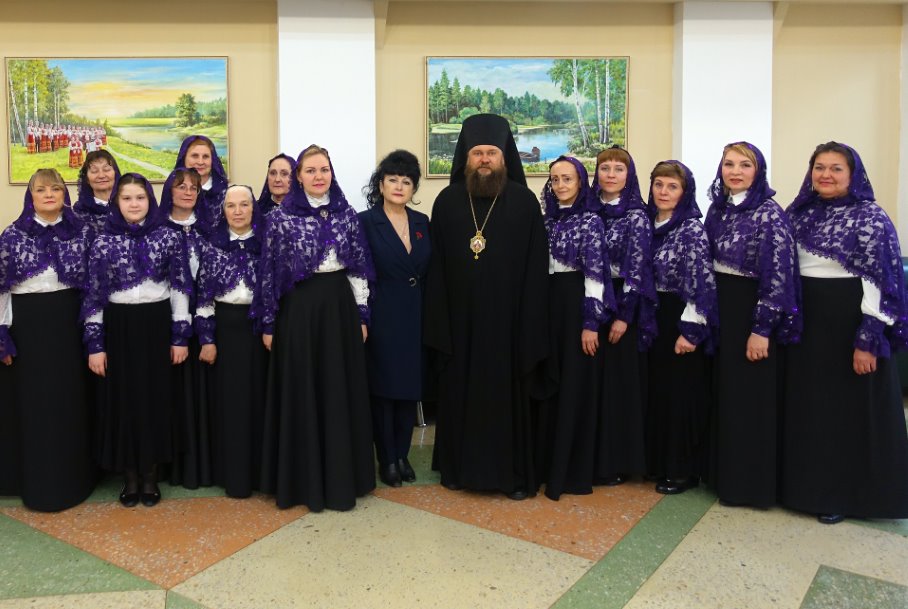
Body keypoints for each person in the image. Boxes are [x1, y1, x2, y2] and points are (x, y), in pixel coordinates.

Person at [424, 113, 549, 500]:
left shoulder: (525, 203)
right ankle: (458, 471)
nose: (484, 159)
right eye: (477, 152)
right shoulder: (447, 202)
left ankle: (512, 475)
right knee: (460, 395)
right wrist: (439, 323)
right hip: (460, 325)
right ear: (465, 157)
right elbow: (436, 268)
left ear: (504, 157)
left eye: (491, 153)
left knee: (506, 400)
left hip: (509, 326)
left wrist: (529, 323)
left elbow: (535, 270)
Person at [782, 142, 908, 523]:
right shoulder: (798, 213)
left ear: (853, 174)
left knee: (845, 412)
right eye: (819, 167)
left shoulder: (871, 218)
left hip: (849, 325)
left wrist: (868, 338)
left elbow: (879, 283)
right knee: (811, 409)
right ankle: (804, 489)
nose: (826, 175)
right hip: (807, 325)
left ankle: (843, 496)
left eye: (836, 168)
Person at [256, 144, 375, 511]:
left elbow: (358, 267)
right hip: (299, 312)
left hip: (339, 310)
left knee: (338, 389)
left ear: (331, 173)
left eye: (324, 169)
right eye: (310, 170)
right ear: (299, 176)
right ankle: (302, 482)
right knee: (302, 390)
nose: (318, 176)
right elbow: (268, 273)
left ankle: (342, 480)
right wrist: (268, 321)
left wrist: (361, 313)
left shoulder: (346, 214)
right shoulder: (280, 218)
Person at [82, 173, 193, 508]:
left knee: (155, 399)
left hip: (156, 325)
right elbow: (94, 296)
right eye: (127, 198)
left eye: (140, 198)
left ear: (151, 200)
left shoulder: (168, 237)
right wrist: (95, 345)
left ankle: (150, 476)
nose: (134, 204)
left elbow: (180, 288)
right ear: (117, 202)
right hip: (118, 327)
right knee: (124, 401)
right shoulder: (103, 241)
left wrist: (180, 336)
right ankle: (130, 478)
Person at [704, 141, 799, 508]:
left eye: (745, 165)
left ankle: (750, 486)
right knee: (725, 395)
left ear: (758, 171)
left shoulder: (770, 213)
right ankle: (723, 476)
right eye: (729, 164)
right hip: (722, 310)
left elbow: (778, 276)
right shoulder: (718, 209)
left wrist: (761, 329)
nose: (736, 171)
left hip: (751, 312)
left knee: (750, 400)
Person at [0, 169, 95, 512]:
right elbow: (2, 289)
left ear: (64, 194)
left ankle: (74, 481)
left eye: (56, 188)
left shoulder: (82, 232)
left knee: (69, 400)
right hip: (28, 330)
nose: (49, 194)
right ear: (31, 196)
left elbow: (92, 285)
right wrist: (2, 334)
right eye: (41, 190)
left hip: (69, 325)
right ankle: (35, 483)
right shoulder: (12, 236)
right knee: (35, 404)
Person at [538, 156, 615, 501]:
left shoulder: (591, 221)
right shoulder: (546, 221)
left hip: (576, 308)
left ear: (581, 182)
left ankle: (570, 472)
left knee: (574, 387)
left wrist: (590, 323)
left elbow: (596, 275)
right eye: (555, 179)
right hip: (548, 307)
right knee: (550, 384)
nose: (560, 185)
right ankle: (546, 465)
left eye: (567, 179)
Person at [358, 150, 431, 487]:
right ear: (381, 185)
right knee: (383, 391)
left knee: (408, 388)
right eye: (393, 180)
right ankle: (386, 459)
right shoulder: (365, 222)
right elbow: (358, 272)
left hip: (416, 313)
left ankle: (402, 455)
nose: (399, 186)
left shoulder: (422, 222)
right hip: (382, 314)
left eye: (406, 181)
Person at [645, 161, 717, 495]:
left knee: (682, 395)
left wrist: (690, 330)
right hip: (653, 315)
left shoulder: (691, 229)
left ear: (685, 192)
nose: (664, 192)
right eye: (659, 185)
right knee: (658, 392)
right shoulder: (648, 223)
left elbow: (701, 281)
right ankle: (657, 462)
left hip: (681, 313)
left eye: (672, 186)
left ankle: (682, 470)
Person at [195, 184, 268, 499]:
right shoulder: (211, 246)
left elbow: (276, 292)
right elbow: (203, 298)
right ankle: (232, 476)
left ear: (254, 208)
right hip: (225, 332)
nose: (238, 211)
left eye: (244, 205)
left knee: (260, 402)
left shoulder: (267, 244)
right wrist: (207, 339)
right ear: (222, 211)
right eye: (231, 206)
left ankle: (260, 474)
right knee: (231, 404)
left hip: (260, 331)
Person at [591, 146, 657, 485]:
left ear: (628, 176)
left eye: (619, 169)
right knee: (594, 383)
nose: (611, 174)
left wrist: (624, 315)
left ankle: (618, 461)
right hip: (590, 301)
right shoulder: (588, 209)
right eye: (605, 168)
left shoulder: (637, 215)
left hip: (623, 304)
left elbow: (638, 268)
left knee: (619, 385)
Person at [158, 167, 213, 489]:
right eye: (181, 186)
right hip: (166, 319)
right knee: (172, 392)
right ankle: (171, 465)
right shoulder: (157, 229)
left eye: (193, 187)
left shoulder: (210, 229)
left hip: (205, 316)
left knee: (202, 390)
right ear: (170, 191)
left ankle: (202, 463)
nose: (188, 192)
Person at [174, 135, 228, 230]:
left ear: (212, 160)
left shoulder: (227, 194)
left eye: (205, 157)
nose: (200, 162)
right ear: (184, 158)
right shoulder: (172, 190)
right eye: (195, 156)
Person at [73, 150, 120, 237]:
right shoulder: (77, 214)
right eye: (94, 171)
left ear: (116, 174)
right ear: (86, 179)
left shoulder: (130, 207)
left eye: (106, 170)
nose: (101, 176)